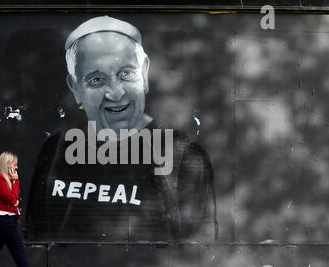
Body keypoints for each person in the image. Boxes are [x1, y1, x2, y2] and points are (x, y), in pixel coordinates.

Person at [26, 16, 218, 243]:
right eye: (97, 79)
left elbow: (198, 256)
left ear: (144, 74)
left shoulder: (183, 156)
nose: (116, 93)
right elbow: (36, 242)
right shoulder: (57, 151)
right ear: (75, 87)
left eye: (126, 73)